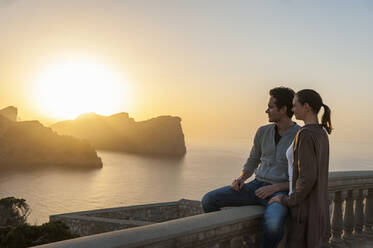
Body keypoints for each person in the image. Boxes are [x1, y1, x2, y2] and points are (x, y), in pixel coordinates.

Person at [201, 87, 301, 248]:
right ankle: (230, 238)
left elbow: (302, 177)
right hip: (255, 186)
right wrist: (241, 178)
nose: (266, 110)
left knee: (274, 224)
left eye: (270, 107)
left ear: (283, 110)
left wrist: (275, 188)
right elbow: (253, 160)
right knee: (208, 200)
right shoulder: (262, 131)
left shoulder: (300, 136)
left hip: (280, 191)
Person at [269, 89, 332, 248]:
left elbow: (307, 177)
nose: (292, 110)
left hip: (305, 211)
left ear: (307, 107)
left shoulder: (305, 134)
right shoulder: (321, 132)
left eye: (295, 105)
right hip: (318, 208)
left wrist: (286, 200)